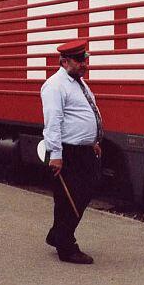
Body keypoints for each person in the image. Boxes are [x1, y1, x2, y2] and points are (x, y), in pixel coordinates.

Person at [40, 39, 103, 264]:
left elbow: (84, 115)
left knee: (81, 194)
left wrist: (92, 141)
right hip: (68, 152)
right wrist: (56, 154)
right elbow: (53, 121)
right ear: (65, 62)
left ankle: (57, 234)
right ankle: (66, 248)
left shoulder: (79, 83)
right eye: (79, 60)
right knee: (71, 199)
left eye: (85, 58)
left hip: (83, 150)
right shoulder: (55, 85)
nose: (84, 63)